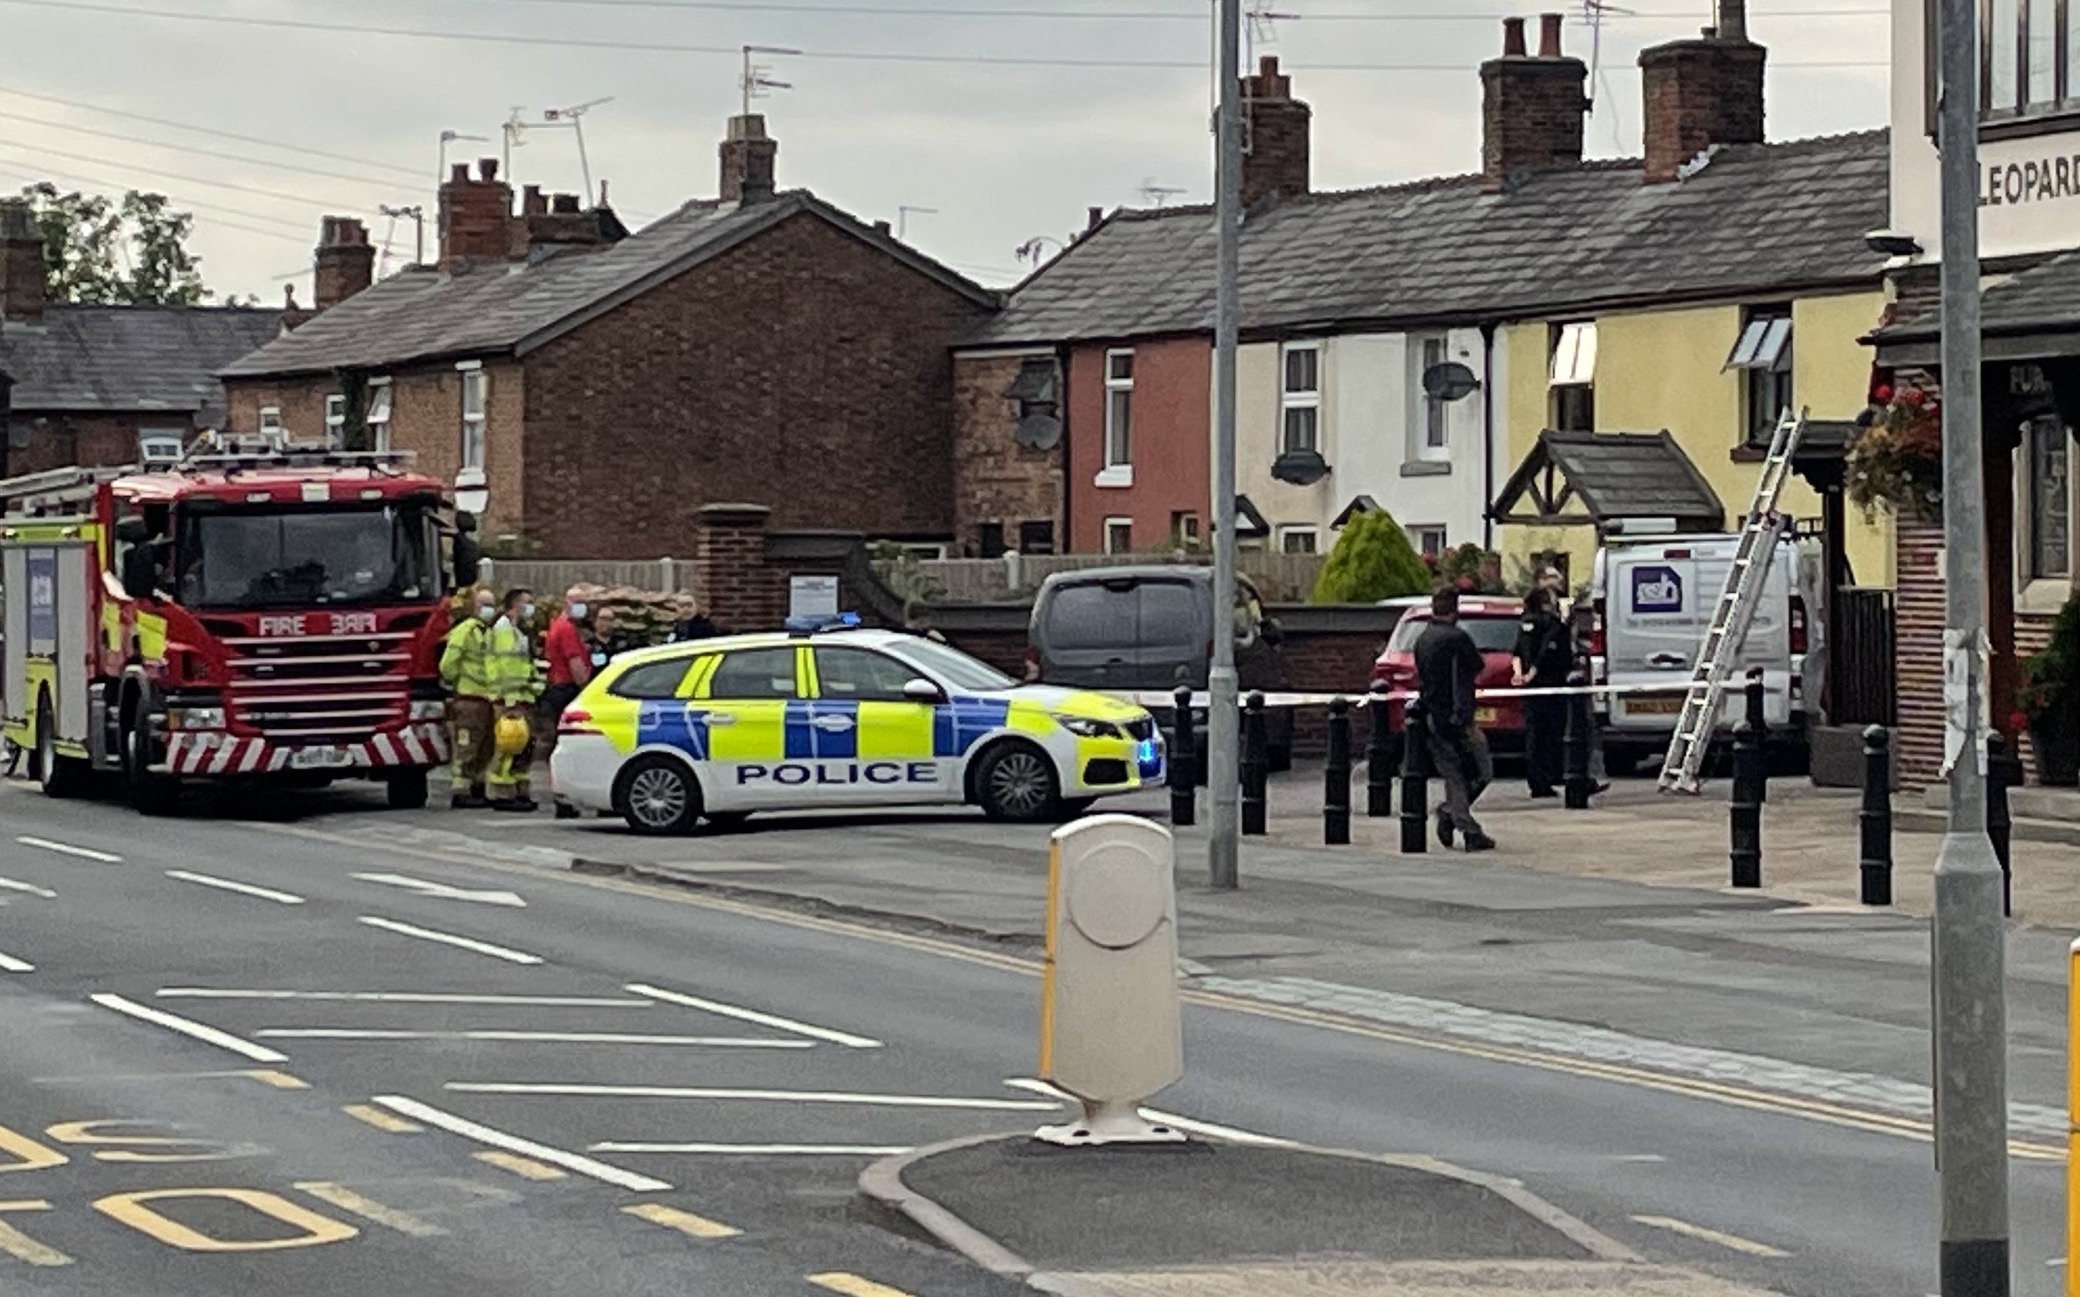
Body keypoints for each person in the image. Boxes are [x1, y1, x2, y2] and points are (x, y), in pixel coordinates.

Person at [1414, 587, 1495, 851]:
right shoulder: (1456, 638)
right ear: (1455, 609)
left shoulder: (1423, 639)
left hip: (1430, 715)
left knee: (1454, 773)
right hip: (1457, 717)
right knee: (1480, 771)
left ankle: (1454, 815)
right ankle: (1464, 825)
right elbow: (1476, 669)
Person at [537, 587, 594, 820]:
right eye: (578, 602)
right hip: (566, 689)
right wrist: (588, 689)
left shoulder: (558, 625)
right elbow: (576, 666)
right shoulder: (567, 629)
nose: (582, 606)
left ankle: (563, 796)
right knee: (568, 744)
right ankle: (564, 798)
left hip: (557, 689)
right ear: (567, 602)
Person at [1511, 586, 1574, 797]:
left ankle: (1536, 781)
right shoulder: (1551, 623)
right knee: (1551, 734)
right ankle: (1549, 779)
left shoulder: (1525, 622)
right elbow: (1547, 651)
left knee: (1534, 734)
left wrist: (1520, 674)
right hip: (1549, 684)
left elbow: (1517, 652)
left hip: (1530, 689)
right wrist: (1532, 674)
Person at [440, 589, 500, 809]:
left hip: (488, 699)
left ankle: (477, 786)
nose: (489, 610)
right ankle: (460, 790)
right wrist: (454, 685)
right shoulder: (465, 631)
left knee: (486, 747)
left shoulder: (489, 632)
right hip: (469, 699)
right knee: (467, 746)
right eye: (484, 604)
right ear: (474, 607)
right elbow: (448, 664)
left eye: (491, 605)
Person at [485, 587, 542, 813]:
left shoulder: (517, 630)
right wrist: (508, 700)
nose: (530, 607)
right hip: (509, 699)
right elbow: (505, 669)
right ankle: (501, 793)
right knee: (508, 746)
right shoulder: (503, 630)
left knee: (523, 747)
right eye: (526, 603)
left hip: (521, 698)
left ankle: (519, 791)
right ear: (514, 605)